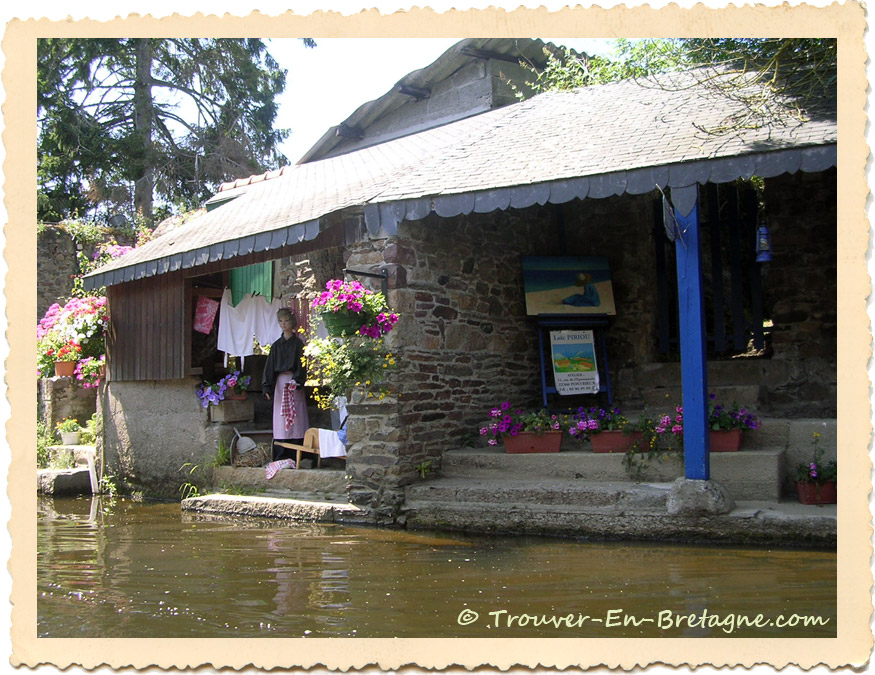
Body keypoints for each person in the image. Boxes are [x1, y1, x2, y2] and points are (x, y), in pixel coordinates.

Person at [262, 308, 309, 461]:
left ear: (292, 323)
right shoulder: (276, 346)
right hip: (281, 384)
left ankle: (299, 452)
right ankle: (281, 453)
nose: (283, 324)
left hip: (294, 383)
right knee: (281, 419)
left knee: (298, 417)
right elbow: (269, 367)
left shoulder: (298, 344)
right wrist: (267, 386)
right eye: (281, 321)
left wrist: (297, 380)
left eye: (286, 321)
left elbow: (302, 365)